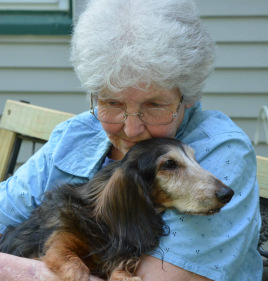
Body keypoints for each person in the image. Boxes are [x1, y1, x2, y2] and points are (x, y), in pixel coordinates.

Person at [0, 0, 263, 280]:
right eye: (112, 102)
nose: (133, 129)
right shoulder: (77, 134)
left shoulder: (220, 151)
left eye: (154, 104)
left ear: (186, 97)